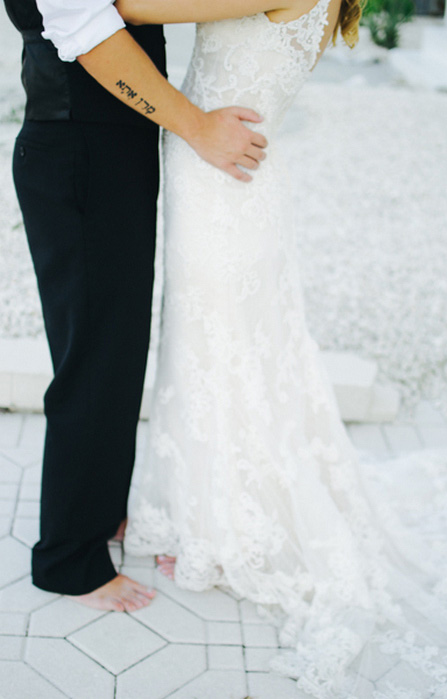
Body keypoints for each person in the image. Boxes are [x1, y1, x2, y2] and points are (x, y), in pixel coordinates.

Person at [117, 0, 447, 696]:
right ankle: (209, 505)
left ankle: (222, 524)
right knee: (227, 348)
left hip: (221, 183)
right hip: (239, 180)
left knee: (216, 350)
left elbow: (130, 4)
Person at [5, 0, 267, 613]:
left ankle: (98, 514)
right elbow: (91, 31)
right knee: (94, 356)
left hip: (105, 150)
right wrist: (198, 127)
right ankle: (69, 560)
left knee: (116, 350)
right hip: (78, 151)